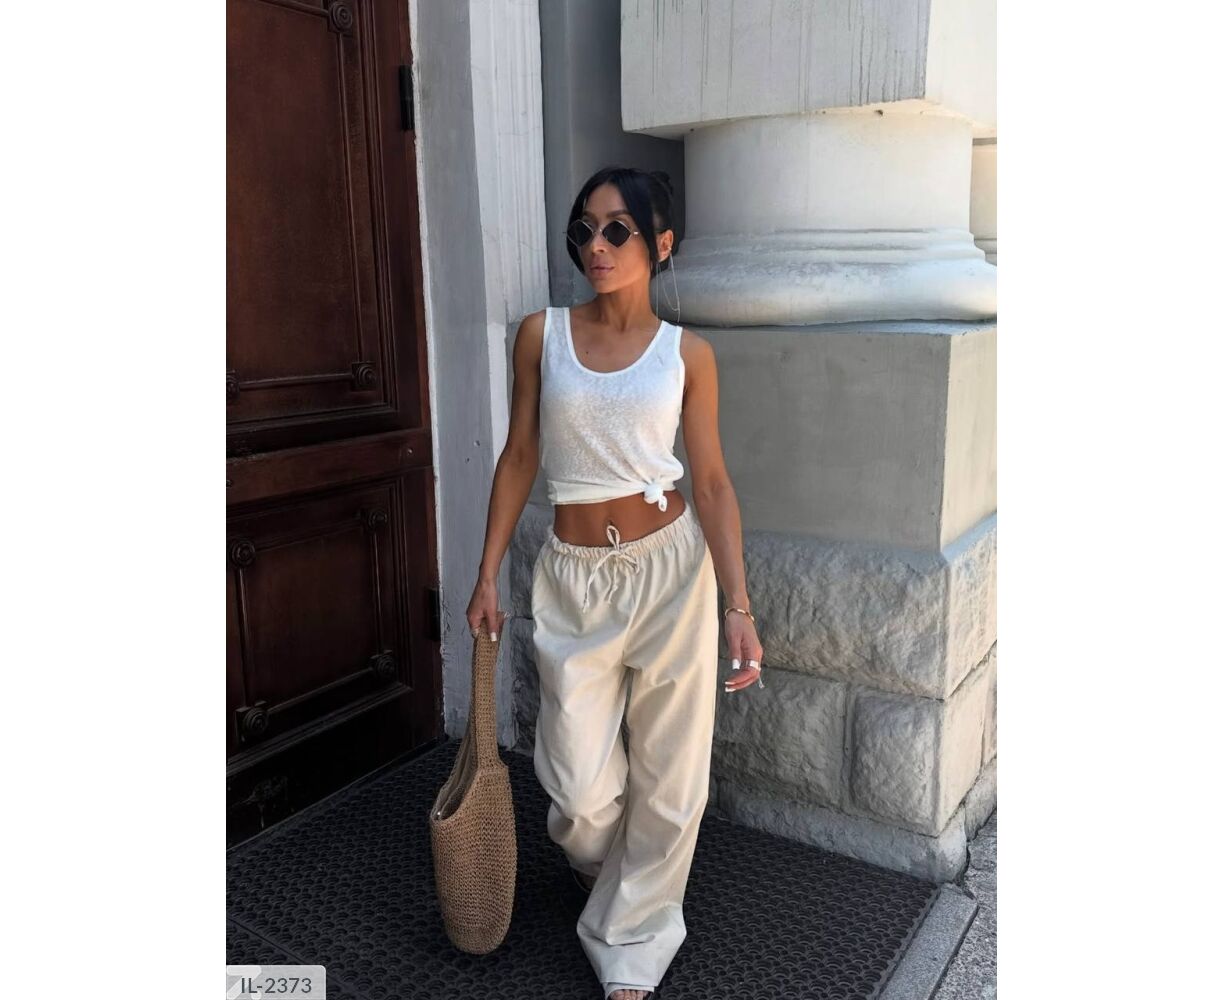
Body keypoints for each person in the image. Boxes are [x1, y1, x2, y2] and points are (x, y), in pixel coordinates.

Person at [466, 165, 765, 1000]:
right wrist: (487, 573)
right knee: (577, 789)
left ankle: (631, 943)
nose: (594, 247)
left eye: (615, 230)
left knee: (671, 773)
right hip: (572, 579)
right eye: (583, 230)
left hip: (670, 571)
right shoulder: (542, 336)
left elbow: (711, 483)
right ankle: (616, 877)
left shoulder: (687, 355)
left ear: (659, 243)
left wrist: (737, 607)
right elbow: (518, 457)